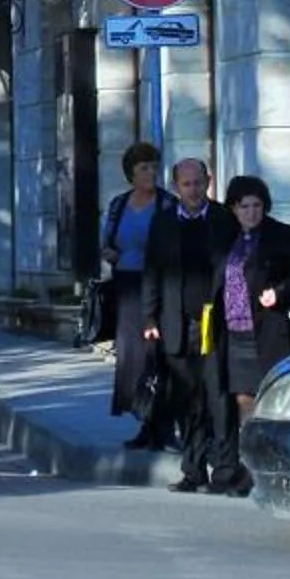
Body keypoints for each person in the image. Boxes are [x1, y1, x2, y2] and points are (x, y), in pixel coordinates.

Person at [143, 155, 239, 494]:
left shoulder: (224, 220)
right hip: (177, 323)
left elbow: (236, 271)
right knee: (186, 400)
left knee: (219, 397)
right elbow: (152, 272)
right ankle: (193, 470)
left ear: (208, 182)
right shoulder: (163, 222)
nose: (194, 190)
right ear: (176, 187)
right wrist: (150, 317)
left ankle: (226, 472)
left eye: (198, 183)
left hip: (215, 323)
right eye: (186, 185)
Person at [219, 175, 290, 455]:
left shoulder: (281, 234)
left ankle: (278, 453)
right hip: (234, 330)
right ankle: (251, 455)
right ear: (233, 208)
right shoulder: (224, 236)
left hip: (270, 328)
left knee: (274, 394)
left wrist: (280, 292)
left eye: (257, 206)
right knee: (243, 396)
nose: (251, 213)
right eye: (244, 206)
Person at [101, 142, 174, 446]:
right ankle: (144, 421)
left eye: (154, 167)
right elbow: (107, 241)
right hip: (127, 289)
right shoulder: (119, 205)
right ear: (131, 173)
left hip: (157, 288)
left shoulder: (167, 204)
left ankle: (162, 424)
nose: (151, 173)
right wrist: (109, 253)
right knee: (132, 357)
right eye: (144, 167)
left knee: (156, 354)